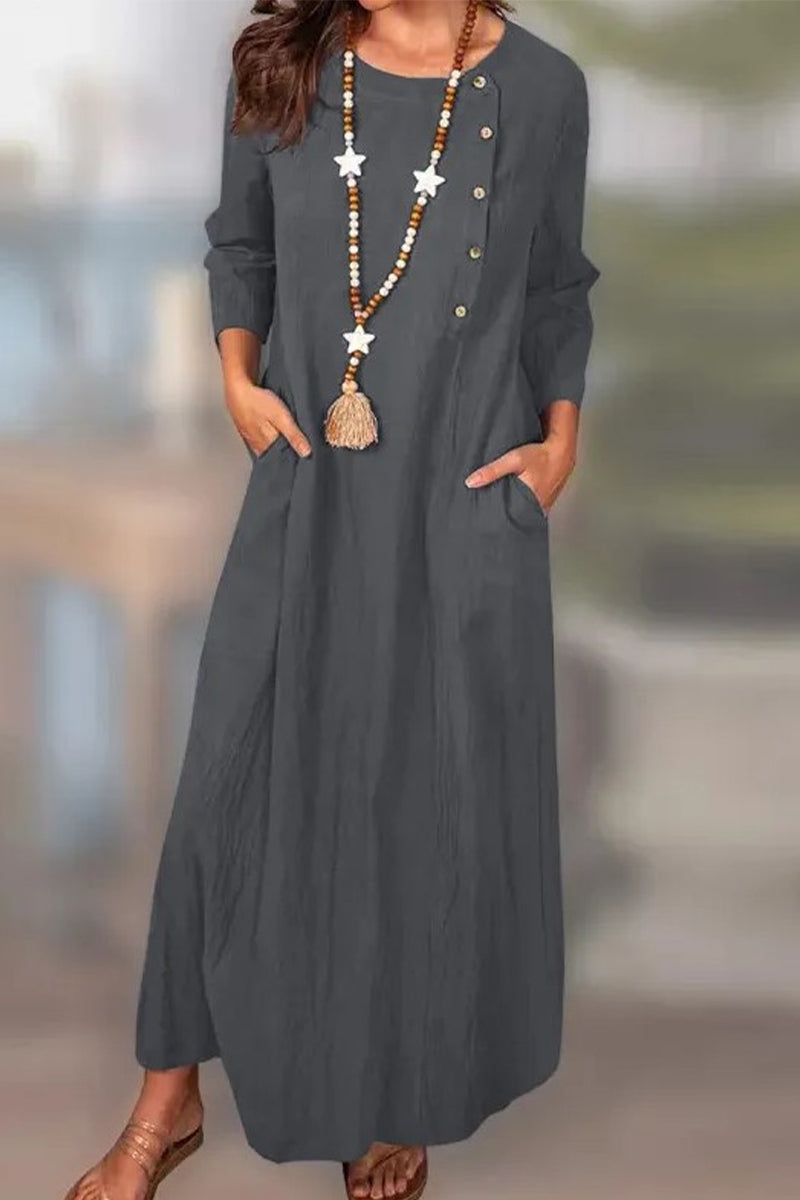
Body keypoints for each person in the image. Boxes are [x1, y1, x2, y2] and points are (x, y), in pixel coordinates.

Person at [64, 1, 599, 1197]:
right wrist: (236, 375)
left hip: (458, 505)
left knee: (415, 798)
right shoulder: (285, 68)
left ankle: (393, 1091)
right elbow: (240, 248)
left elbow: (556, 287)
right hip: (309, 489)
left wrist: (559, 439)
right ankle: (165, 1100)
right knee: (229, 779)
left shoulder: (541, 90)